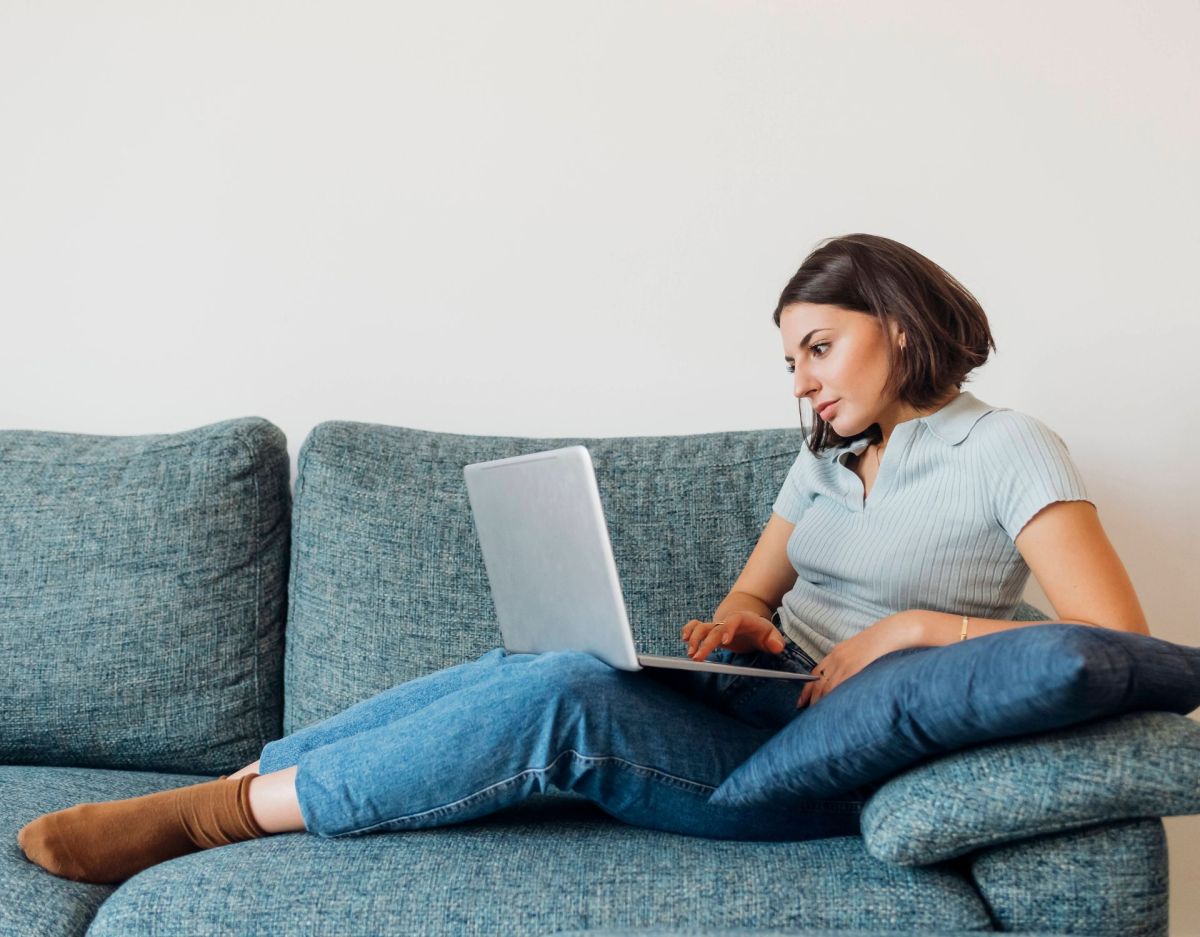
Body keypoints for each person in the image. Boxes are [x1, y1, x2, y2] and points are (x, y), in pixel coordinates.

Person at [16, 233, 1149, 885]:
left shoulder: (1008, 448)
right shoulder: (825, 457)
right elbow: (757, 590)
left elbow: (1117, 649)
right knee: (543, 659)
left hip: (819, 764)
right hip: (761, 701)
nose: (801, 378)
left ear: (899, 327)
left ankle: (223, 818)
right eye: (791, 358)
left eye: (819, 346)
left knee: (564, 702)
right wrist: (735, 626)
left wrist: (911, 630)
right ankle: (244, 777)